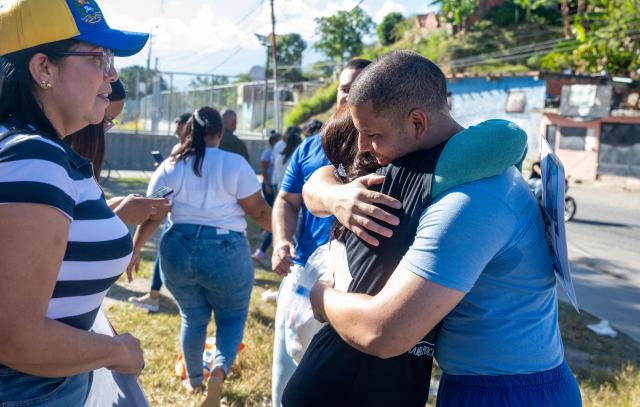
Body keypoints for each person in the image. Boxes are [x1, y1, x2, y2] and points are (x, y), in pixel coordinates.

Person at [292, 51, 582, 406]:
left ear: (417, 123)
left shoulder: (469, 201)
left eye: (372, 134)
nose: (365, 146)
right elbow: (321, 178)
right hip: (486, 383)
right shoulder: (451, 170)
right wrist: (336, 196)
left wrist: (319, 296)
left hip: (508, 393)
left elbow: (384, 331)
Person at [0, 0, 150, 405]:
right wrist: (118, 352)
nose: (113, 73)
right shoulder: (33, 158)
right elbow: (17, 339)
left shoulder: (29, 151)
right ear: (43, 69)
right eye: (99, 57)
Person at [127, 107, 272, 407]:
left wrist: (136, 247)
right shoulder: (234, 163)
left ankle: (194, 381)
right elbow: (258, 211)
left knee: (192, 318)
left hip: (177, 248)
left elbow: (153, 212)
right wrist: (282, 235)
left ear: (189, 132)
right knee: (231, 318)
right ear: (220, 133)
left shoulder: (170, 165)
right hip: (225, 250)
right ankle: (218, 371)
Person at [270, 58, 371, 407]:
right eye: (345, 87)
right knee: (287, 380)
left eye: (359, 87)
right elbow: (286, 199)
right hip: (304, 278)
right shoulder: (311, 147)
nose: (349, 95)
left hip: (362, 287)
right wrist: (282, 241)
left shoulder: (389, 148)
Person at [66, 79, 170, 226]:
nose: (105, 130)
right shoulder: (50, 163)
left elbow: (73, 215)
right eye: (106, 120)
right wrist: (119, 217)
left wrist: (105, 206)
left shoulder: (69, 161)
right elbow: (57, 238)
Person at [128, 111, 192, 312]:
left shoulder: (180, 155)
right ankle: (154, 294)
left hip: (177, 220)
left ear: (187, 126)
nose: (175, 128)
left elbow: (159, 202)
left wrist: (136, 248)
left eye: (178, 124)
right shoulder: (194, 154)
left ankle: (154, 296)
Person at [252, 132, 281, 266]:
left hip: (274, 185)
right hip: (269, 184)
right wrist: (268, 184)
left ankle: (265, 231)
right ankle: (265, 231)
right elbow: (264, 170)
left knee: (273, 212)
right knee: (272, 212)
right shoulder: (268, 153)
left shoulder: (278, 151)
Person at [271, 125, 302, 192]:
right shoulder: (297, 158)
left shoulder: (280, 155)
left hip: (279, 185)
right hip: (290, 190)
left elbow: (273, 163)